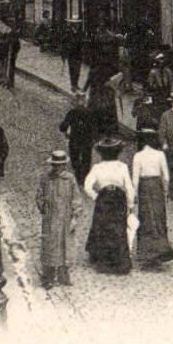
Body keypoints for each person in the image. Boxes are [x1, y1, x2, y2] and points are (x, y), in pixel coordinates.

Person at [83, 136, 134, 275]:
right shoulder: (122, 167)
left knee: (103, 227)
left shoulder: (97, 168)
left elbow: (87, 186)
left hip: (104, 199)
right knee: (118, 228)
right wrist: (130, 204)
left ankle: (103, 261)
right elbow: (129, 187)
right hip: (118, 199)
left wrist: (97, 197)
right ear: (117, 152)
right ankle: (119, 261)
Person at [35, 148, 81, 289]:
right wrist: (44, 208)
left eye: (60, 165)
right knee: (50, 246)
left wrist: (74, 217)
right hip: (50, 219)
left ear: (64, 165)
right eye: (54, 165)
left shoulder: (70, 179)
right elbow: (39, 196)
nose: (57, 168)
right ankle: (48, 277)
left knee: (65, 246)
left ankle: (63, 276)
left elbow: (76, 199)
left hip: (66, 219)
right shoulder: (45, 179)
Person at [131, 127, 173, 269]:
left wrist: (134, 196)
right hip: (157, 187)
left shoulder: (138, 156)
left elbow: (135, 180)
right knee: (158, 217)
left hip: (144, 187)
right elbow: (166, 177)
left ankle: (146, 253)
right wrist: (166, 193)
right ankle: (161, 251)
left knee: (146, 217)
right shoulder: (160, 155)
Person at [59, 91, 96, 188]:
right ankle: (83, 179)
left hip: (75, 139)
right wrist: (93, 138)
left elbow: (63, 126)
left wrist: (64, 129)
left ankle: (78, 175)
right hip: (87, 140)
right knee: (86, 159)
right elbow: (95, 128)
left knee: (75, 158)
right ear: (85, 102)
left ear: (75, 101)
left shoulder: (72, 112)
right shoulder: (91, 113)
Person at [62, 24, 85, 93]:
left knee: (77, 71)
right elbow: (63, 44)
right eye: (74, 27)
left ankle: (76, 84)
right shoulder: (68, 35)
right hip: (71, 56)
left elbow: (82, 44)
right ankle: (73, 85)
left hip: (78, 55)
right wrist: (64, 53)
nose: (75, 28)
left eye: (76, 27)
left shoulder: (79, 34)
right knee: (72, 71)